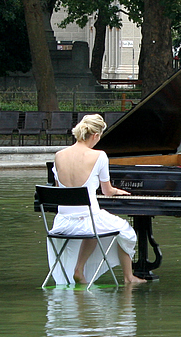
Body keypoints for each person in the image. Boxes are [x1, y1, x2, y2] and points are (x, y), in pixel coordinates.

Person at [50, 114, 147, 285]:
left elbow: (59, 190)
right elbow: (107, 191)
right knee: (125, 231)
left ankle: (79, 270)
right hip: (88, 222)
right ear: (95, 135)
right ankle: (128, 277)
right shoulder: (99, 156)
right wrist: (119, 191)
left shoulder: (59, 155)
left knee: (93, 229)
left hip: (62, 223)